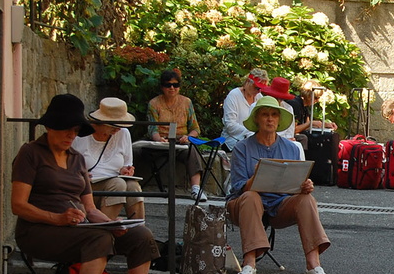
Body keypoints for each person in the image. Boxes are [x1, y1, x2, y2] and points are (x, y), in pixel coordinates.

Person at [11, 94, 175, 274]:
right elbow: (18, 205)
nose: (71, 136)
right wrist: (57, 218)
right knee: (97, 239)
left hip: (75, 227)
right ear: (49, 127)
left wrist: (114, 223)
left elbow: (89, 207)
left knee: (140, 236)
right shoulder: (31, 153)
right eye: (66, 129)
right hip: (38, 231)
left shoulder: (76, 158)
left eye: (75, 131)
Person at [226, 96, 332, 274]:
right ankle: (249, 262)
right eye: (265, 114)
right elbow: (238, 187)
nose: (270, 119)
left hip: (279, 204)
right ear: (257, 119)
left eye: (274, 115)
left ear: (279, 119)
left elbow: (295, 184)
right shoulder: (242, 148)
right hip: (245, 205)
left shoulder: (291, 148)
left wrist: (304, 186)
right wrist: (258, 176)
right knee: (251, 196)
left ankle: (313, 264)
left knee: (307, 199)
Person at [73, 98, 145, 221]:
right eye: (113, 125)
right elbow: (67, 164)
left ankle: (138, 229)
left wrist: (125, 170)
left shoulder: (123, 133)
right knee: (118, 184)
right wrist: (79, 174)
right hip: (88, 185)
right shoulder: (81, 136)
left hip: (114, 180)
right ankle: (103, 228)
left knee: (133, 186)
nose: (118, 129)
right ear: (100, 122)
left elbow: (127, 163)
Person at [147, 69, 207, 202]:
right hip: (162, 141)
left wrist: (189, 137)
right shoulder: (154, 103)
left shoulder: (187, 102)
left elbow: (195, 128)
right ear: (162, 87)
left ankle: (196, 189)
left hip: (181, 140)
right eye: (168, 85)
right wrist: (159, 139)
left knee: (192, 149)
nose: (172, 88)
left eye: (175, 85)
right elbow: (152, 129)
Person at [221, 68, 268, 151]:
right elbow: (230, 125)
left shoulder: (259, 97)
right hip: (232, 141)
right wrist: (250, 133)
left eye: (261, 89)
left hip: (255, 140)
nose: (258, 91)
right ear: (248, 82)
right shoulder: (234, 95)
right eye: (256, 88)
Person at [254, 76, 298, 142]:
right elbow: (250, 132)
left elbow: (290, 134)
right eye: (275, 97)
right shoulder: (256, 106)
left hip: (282, 143)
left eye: (280, 98)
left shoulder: (288, 108)